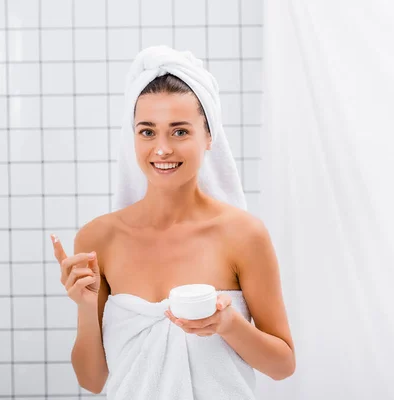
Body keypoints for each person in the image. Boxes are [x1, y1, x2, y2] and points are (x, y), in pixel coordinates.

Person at [50, 46, 295, 400]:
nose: (161, 149)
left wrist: (228, 325)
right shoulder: (99, 238)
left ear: (209, 137)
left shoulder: (243, 235)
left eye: (179, 132)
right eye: (147, 132)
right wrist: (87, 309)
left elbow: (282, 365)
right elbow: (92, 380)